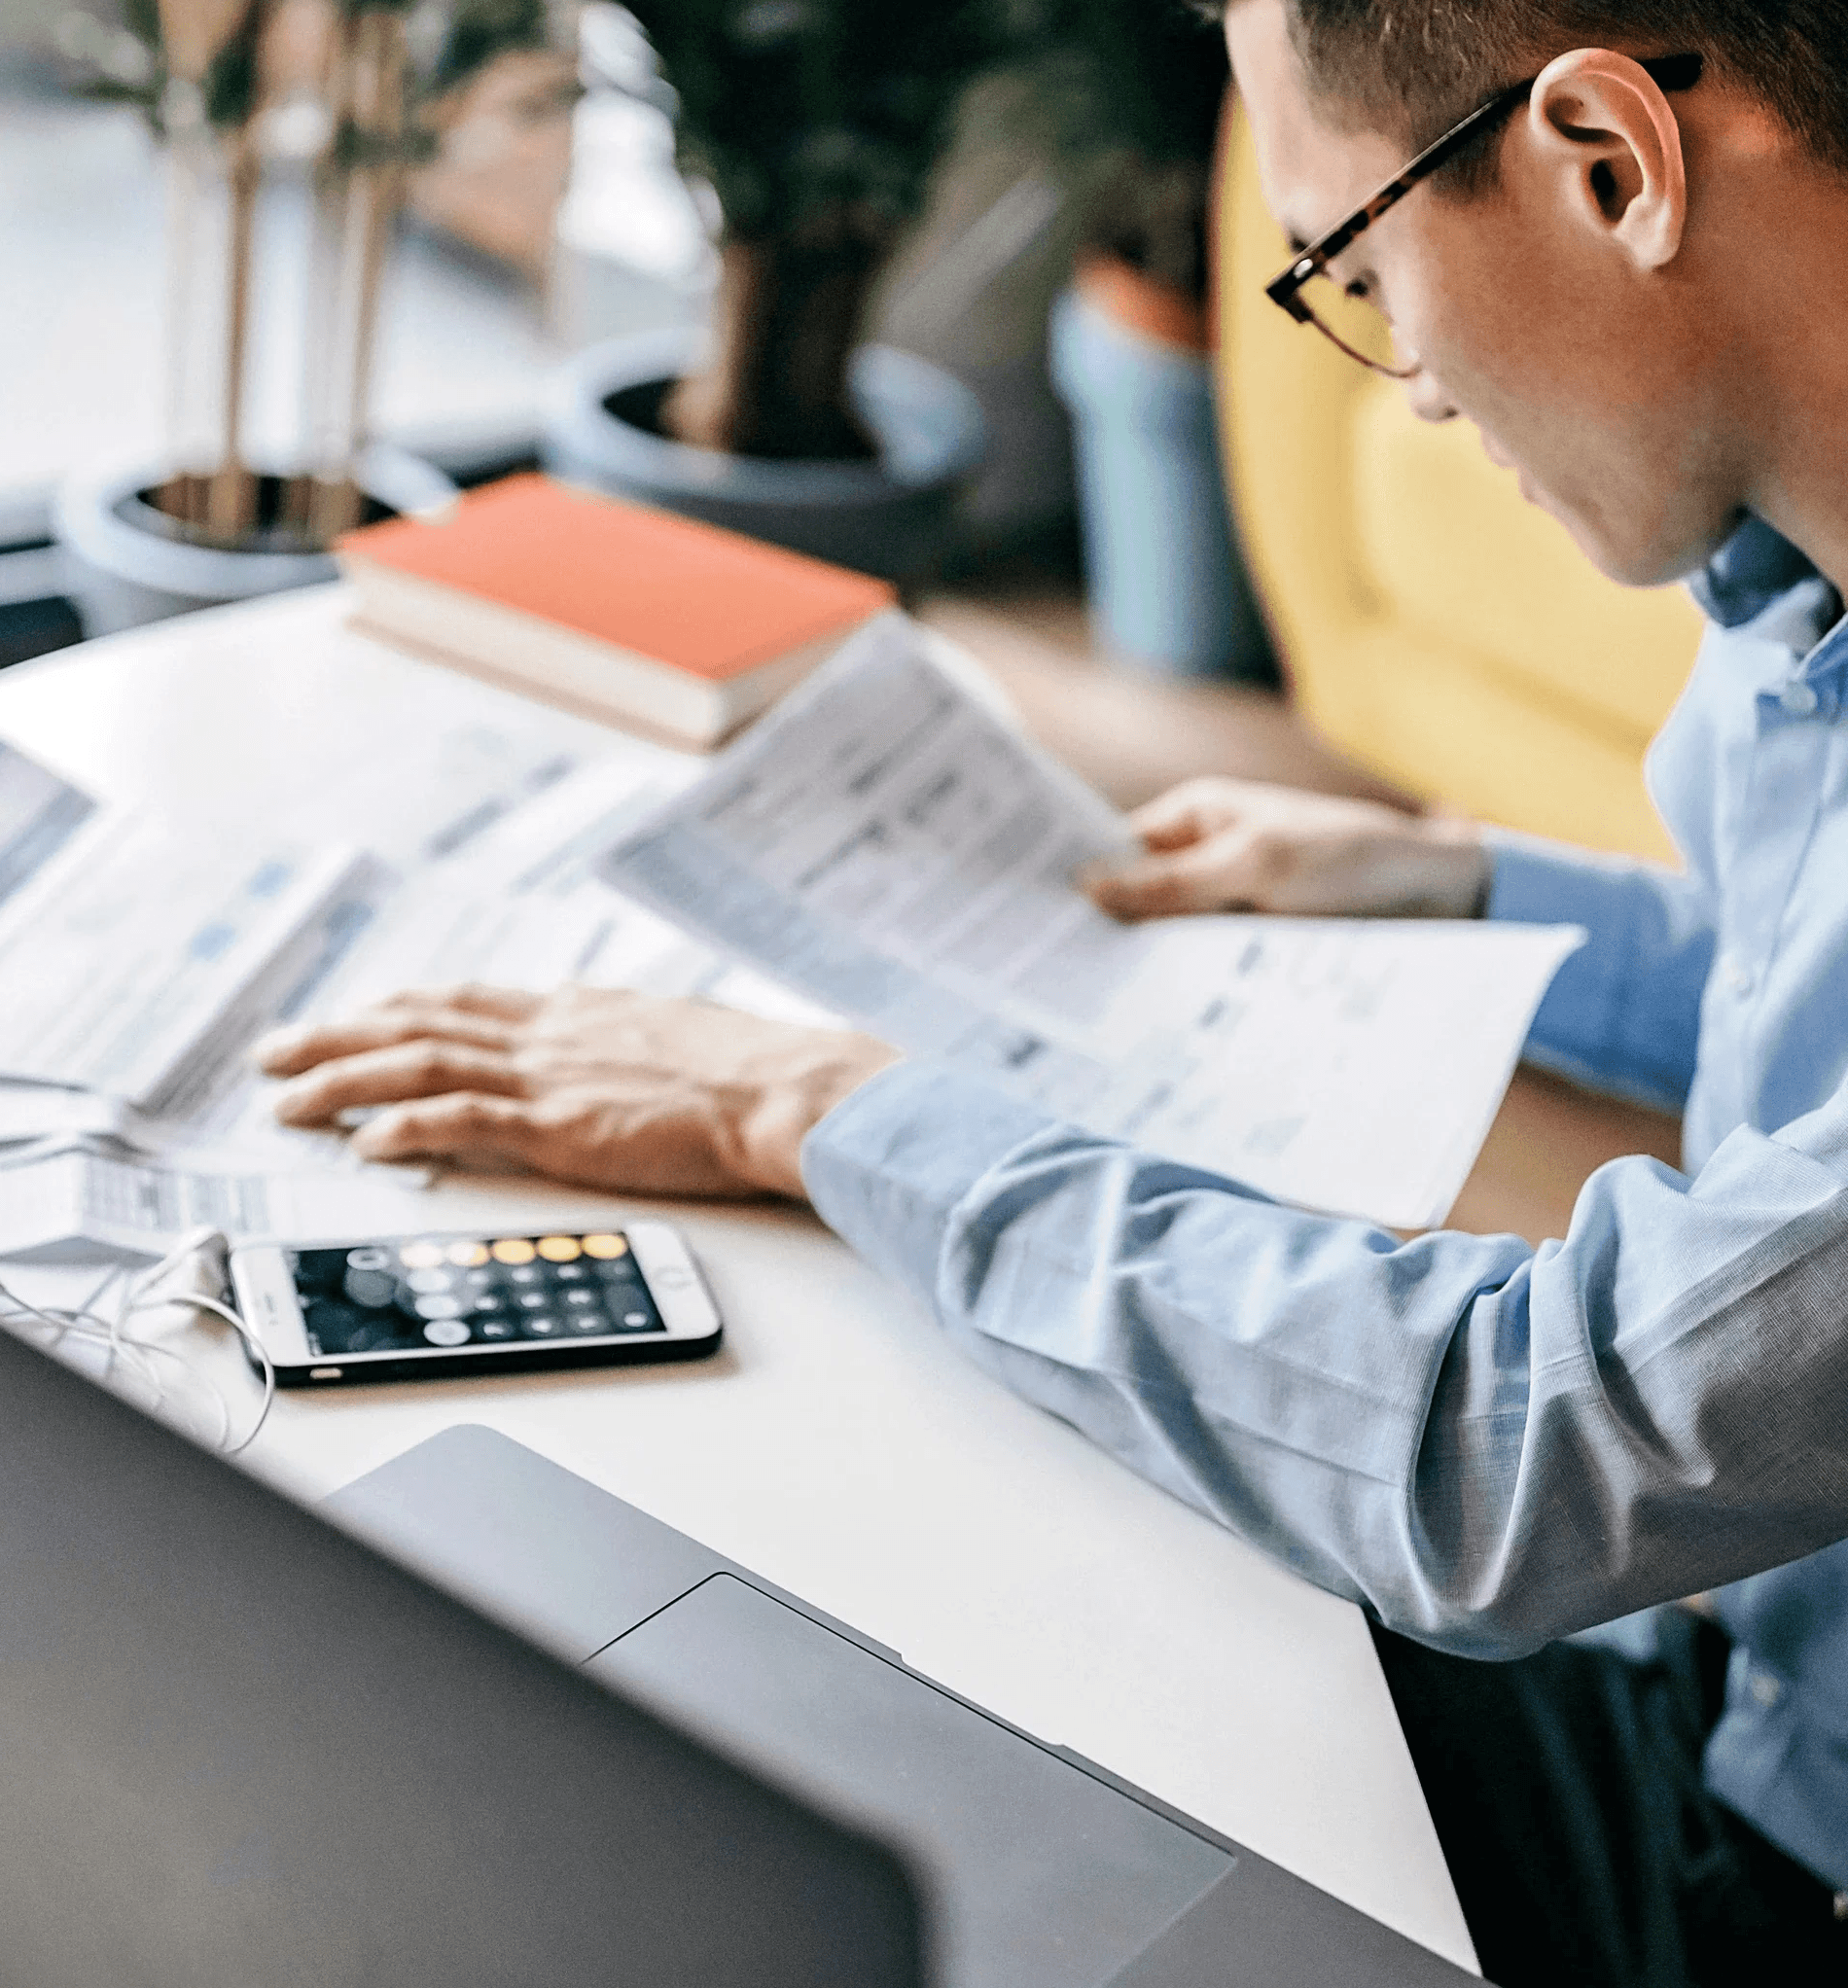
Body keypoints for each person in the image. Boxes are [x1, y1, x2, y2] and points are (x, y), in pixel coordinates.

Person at [257, 2, 1848, 1981]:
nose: (1413, 390)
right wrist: (1456, 878)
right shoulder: (1796, 588)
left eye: (1352, 270)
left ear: (1613, 163)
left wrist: (816, 1109)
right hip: (1736, 1670)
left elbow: (1520, 1442)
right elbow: (1809, 1011)